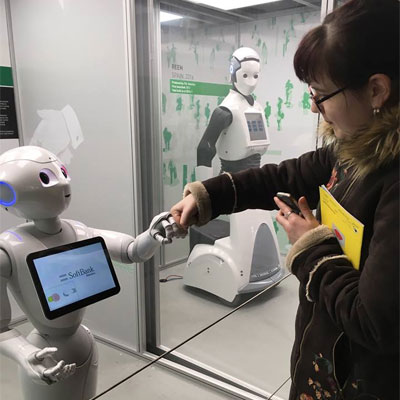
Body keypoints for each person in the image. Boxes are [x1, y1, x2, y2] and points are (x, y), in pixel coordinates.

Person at [170, 0, 399, 398]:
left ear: (376, 89)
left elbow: (374, 323)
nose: (315, 107)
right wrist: (209, 194)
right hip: (326, 361)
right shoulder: (352, 147)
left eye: (323, 94)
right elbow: (286, 175)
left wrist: (311, 246)